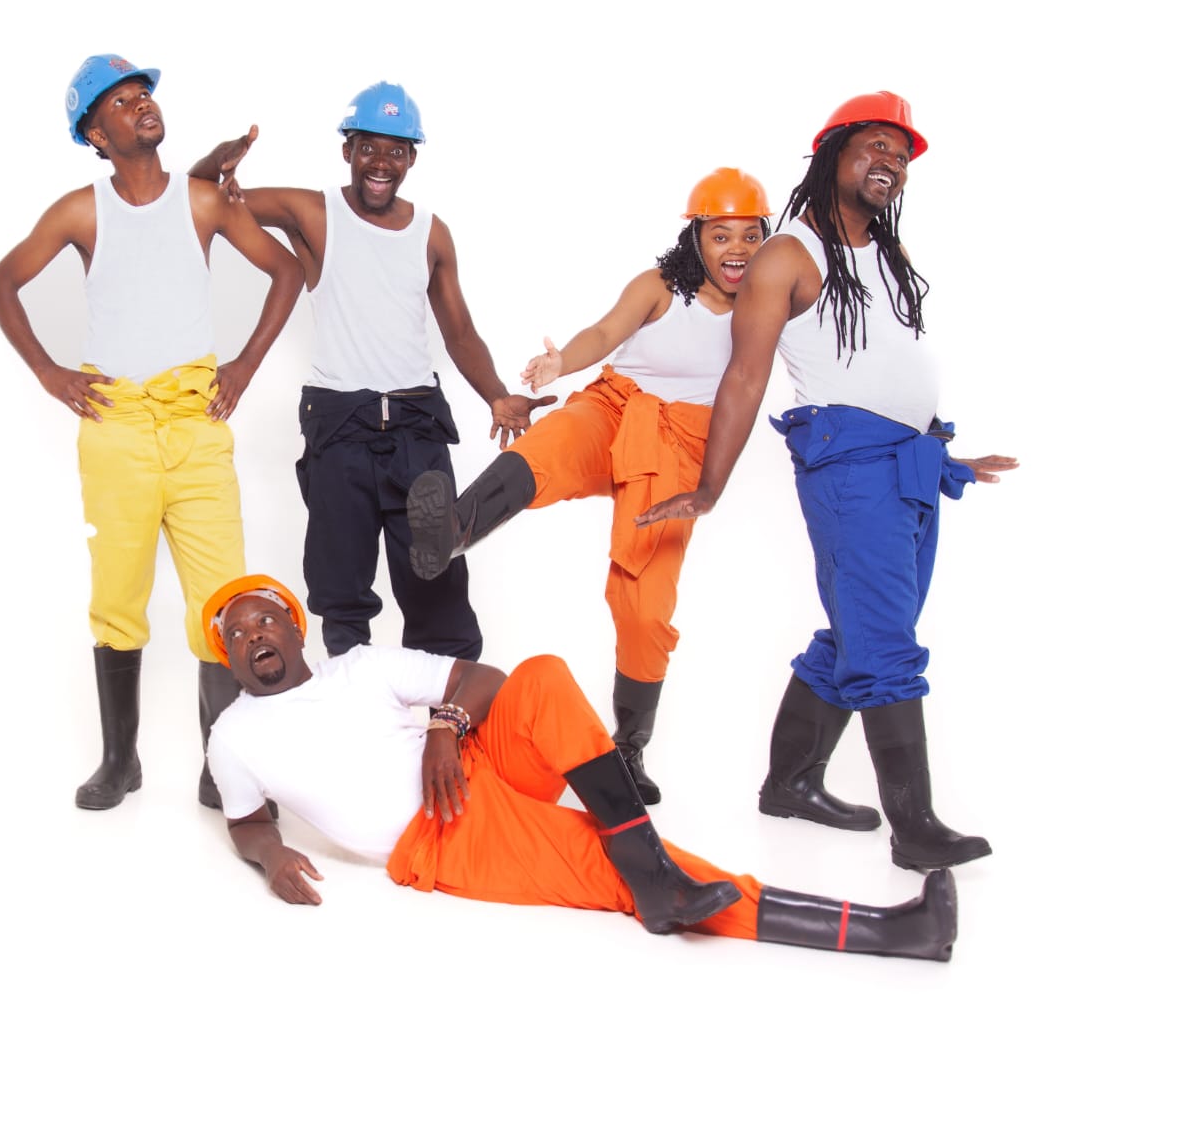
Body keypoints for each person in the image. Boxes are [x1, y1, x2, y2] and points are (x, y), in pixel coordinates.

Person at [637, 93, 1017, 870]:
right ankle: (915, 828)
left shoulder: (885, 249)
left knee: (860, 629)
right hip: (852, 468)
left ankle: (791, 782)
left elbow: (883, 364)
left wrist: (945, 457)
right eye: (876, 146)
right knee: (883, 640)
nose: (891, 163)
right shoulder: (789, 254)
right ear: (834, 152)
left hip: (910, 464)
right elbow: (745, 376)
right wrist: (709, 487)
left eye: (901, 155)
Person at [200, 576, 957, 960]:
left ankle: (647, 866)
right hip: (446, 832)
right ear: (229, 658)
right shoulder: (234, 736)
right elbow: (246, 822)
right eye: (236, 634)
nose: (253, 634)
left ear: (295, 627)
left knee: (542, 675)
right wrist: (271, 858)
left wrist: (444, 724)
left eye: (265, 619)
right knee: (632, 875)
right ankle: (891, 932)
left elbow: (484, 678)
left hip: (472, 760)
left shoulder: (361, 665)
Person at [0, 55, 303, 811]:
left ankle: (223, 763)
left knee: (222, 596)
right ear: (96, 135)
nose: (141, 106)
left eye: (143, 94)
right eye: (121, 104)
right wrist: (48, 372)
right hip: (117, 425)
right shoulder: (80, 211)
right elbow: (0, 282)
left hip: (195, 420)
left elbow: (287, 271)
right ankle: (119, 759)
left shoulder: (203, 200)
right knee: (117, 594)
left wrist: (245, 364)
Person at [403, 168, 775, 806]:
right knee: (553, 445)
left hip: (680, 448)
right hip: (614, 408)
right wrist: (560, 363)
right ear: (696, 237)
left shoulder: (770, 305)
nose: (736, 248)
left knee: (645, 606)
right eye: (721, 235)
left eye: (750, 235)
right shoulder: (661, 287)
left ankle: (629, 748)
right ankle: (451, 530)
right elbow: (605, 333)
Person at [187, 83, 552, 662]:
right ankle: (354, 700)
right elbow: (201, 195)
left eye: (396, 151)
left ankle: (447, 708)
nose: (381, 163)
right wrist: (217, 160)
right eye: (369, 149)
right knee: (341, 592)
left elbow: (459, 330)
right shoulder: (313, 212)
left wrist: (497, 396)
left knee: (436, 583)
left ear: (411, 159)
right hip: (341, 424)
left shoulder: (431, 233)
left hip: (416, 425)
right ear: (348, 151)